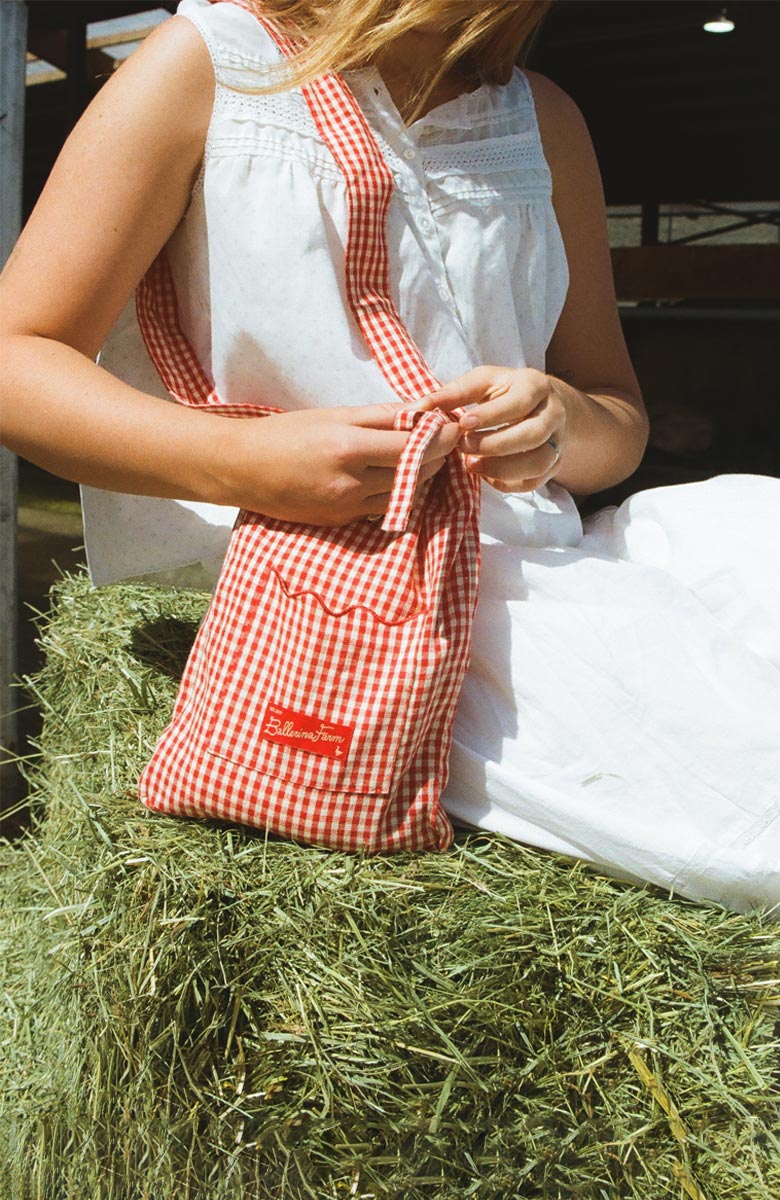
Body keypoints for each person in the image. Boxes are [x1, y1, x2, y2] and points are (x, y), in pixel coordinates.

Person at [1, 0, 778, 913]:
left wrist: (562, 423)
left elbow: (619, 421)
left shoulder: (544, 119)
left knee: (755, 524)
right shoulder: (211, 66)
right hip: (321, 581)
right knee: (742, 773)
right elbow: (18, 359)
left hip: (526, 549)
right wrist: (239, 460)